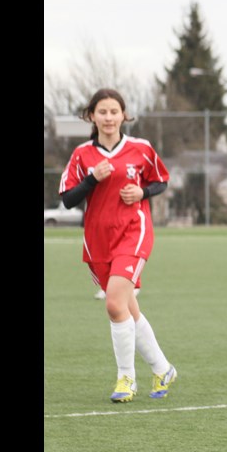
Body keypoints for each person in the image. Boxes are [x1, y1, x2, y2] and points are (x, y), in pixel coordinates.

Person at [59, 88, 177, 403]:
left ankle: (126, 379)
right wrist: (92, 179)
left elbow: (161, 180)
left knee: (113, 304)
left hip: (133, 232)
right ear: (91, 116)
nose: (109, 117)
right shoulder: (82, 155)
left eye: (115, 111)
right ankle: (163, 368)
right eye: (103, 112)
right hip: (97, 240)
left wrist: (142, 194)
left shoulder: (141, 148)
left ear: (124, 115)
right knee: (125, 306)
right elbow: (68, 199)